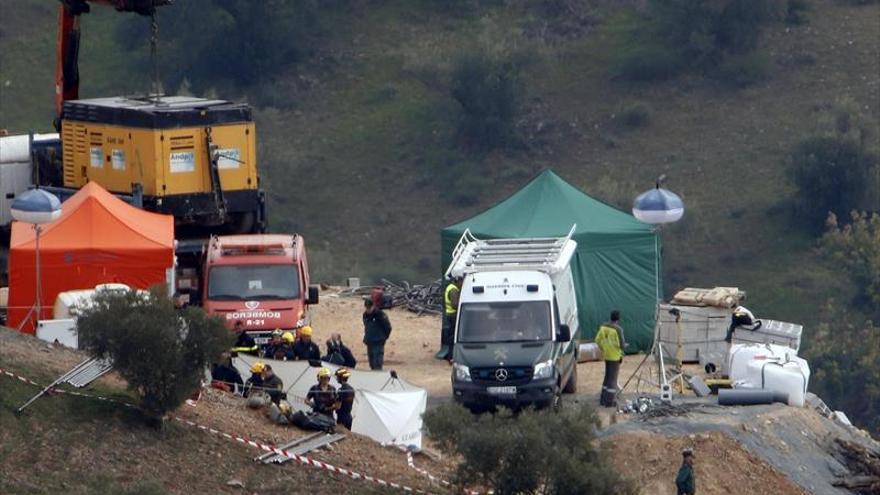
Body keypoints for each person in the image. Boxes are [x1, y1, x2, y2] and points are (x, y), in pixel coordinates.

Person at [595, 310, 626, 407]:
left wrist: (603, 348)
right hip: (615, 357)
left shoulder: (603, 327)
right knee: (612, 379)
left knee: (607, 377)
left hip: (607, 355)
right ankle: (610, 401)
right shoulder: (618, 330)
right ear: (618, 319)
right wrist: (624, 346)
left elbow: (597, 340)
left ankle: (603, 399)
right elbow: (622, 345)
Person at [436, 275, 462, 361]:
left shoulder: (450, 287)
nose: (461, 283)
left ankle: (451, 356)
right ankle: (451, 356)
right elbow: (455, 305)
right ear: (457, 280)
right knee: (453, 337)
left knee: (452, 336)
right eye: (461, 281)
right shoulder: (454, 290)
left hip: (450, 315)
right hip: (453, 315)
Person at [362, 297, 392, 370]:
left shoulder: (380, 314)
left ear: (373, 306)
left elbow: (388, 327)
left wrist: (383, 337)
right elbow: (366, 326)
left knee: (377, 363)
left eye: (369, 308)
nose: (368, 310)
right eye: (367, 308)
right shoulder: (365, 315)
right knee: (371, 362)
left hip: (378, 342)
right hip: (369, 341)